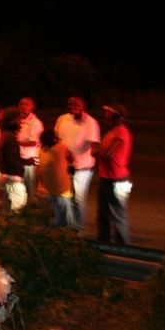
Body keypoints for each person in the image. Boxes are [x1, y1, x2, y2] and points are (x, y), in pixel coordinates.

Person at [55, 96, 101, 231]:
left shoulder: (90, 122)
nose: (72, 107)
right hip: (64, 165)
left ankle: (78, 228)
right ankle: (65, 225)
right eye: (70, 104)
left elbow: (95, 145)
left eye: (76, 105)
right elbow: (58, 138)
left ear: (83, 106)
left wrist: (85, 157)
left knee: (78, 198)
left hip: (82, 167)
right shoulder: (62, 119)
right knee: (63, 196)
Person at [95, 103, 133, 244]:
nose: (105, 115)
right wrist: (100, 153)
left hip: (118, 179)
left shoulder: (121, 132)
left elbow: (108, 154)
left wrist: (98, 153)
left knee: (118, 214)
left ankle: (123, 246)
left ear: (115, 115)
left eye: (108, 113)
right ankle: (103, 242)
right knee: (103, 213)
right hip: (106, 177)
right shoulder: (111, 132)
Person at [37, 128, 75, 227]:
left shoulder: (41, 152)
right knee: (66, 220)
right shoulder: (60, 148)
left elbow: (38, 170)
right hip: (62, 190)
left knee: (55, 215)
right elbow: (72, 158)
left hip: (48, 189)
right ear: (54, 139)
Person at [0, 111, 27, 213]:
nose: (21, 123)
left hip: (5, 176)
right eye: (19, 120)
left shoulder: (4, 135)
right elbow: (12, 161)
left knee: (6, 209)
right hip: (13, 178)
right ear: (12, 122)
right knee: (18, 211)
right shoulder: (10, 138)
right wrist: (21, 169)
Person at [16, 97, 44, 198]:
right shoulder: (18, 120)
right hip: (18, 159)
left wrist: (14, 142)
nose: (23, 106)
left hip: (29, 161)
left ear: (32, 107)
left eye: (26, 104)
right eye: (21, 104)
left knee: (29, 189)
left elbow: (33, 142)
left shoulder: (35, 123)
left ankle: (30, 210)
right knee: (18, 188)